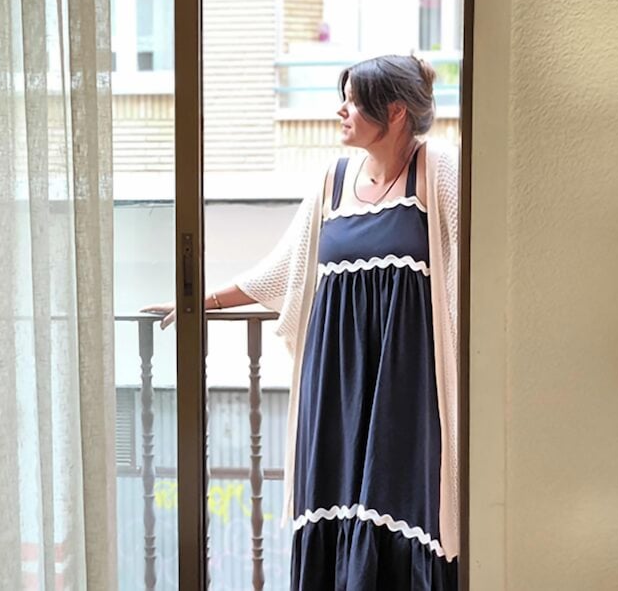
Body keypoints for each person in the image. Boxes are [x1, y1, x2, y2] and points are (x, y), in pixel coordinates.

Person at [143, 54, 459, 589]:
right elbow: (284, 269)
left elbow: (468, 274)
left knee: (399, 507)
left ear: (396, 112)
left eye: (354, 101)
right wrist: (204, 302)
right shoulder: (333, 181)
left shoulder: (436, 171)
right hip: (331, 388)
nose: (341, 110)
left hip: (403, 390)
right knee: (330, 508)